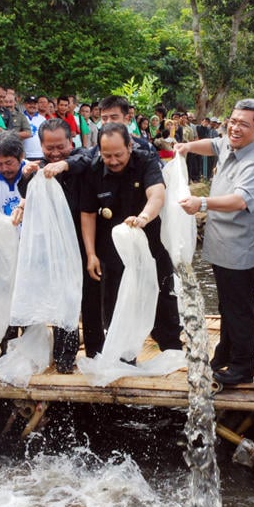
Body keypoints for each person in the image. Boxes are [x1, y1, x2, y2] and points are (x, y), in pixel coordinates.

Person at [176, 98, 254, 386]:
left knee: (240, 307)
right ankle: (225, 353)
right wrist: (187, 147)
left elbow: (240, 200)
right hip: (224, 243)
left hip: (242, 246)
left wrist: (201, 202)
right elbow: (214, 145)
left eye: (243, 124)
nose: (234, 128)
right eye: (232, 121)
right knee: (228, 304)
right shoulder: (233, 143)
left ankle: (243, 367)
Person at [81, 122, 182, 363]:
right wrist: (91, 254)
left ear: (129, 146)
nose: (113, 161)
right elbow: (88, 214)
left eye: (118, 154)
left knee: (163, 296)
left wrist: (144, 217)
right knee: (115, 300)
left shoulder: (146, 160)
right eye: (107, 156)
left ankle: (172, 350)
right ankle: (123, 356)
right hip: (112, 249)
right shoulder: (93, 170)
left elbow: (157, 193)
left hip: (150, 241)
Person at [21, 95, 47, 161]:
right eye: (30, 103)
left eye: (35, 104)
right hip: (24, 155)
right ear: (25, 104)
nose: (32, 106)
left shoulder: (43, 119)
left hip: (40, 155)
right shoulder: (19, 117)